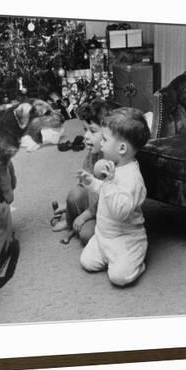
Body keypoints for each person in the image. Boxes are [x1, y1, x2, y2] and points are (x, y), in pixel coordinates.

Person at [79, 107, 151, 286]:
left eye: (104, 139)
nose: (101, 144)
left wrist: (109, 183)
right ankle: (107, 253)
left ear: (122, 148)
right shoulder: (115, 166)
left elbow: (121, 212)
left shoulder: (133, 178)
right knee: (87, 262)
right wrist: (93, 183)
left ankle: (136, 258)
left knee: (119, 277)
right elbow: (106, 192)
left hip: (125, 237)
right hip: (104, 235)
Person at [51, 99, 117, 244]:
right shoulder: (93, 153)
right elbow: (83, 186)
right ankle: (69, 222)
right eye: (85, 130)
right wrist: (70, 207)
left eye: (92, 131)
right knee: (74, 194)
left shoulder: (113, 162)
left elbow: (109, 198)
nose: (86, 136)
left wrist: (86, 215)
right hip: (94, 202)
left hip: (109, 210)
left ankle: (81, 219)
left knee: (86, 235)